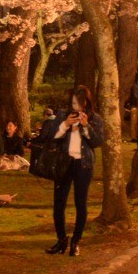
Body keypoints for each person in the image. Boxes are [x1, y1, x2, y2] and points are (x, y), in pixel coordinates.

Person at [45, 85, 104, 256]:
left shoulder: (95, 119)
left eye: (79, 105)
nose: (76, 108)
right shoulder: (63, 116)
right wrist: (64, 126)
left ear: (86, 104)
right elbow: (51, 139)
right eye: (73, 104)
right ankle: (61, 239)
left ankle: (76, 241)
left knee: (81, 203)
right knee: (59, 203)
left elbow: (97, 141)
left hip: (83, 164)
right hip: (64, 162)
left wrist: (86, 127)